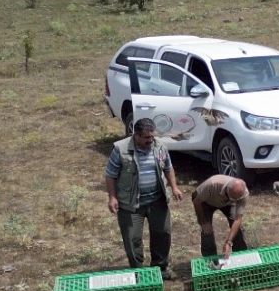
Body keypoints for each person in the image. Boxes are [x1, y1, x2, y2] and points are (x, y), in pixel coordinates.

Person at [104, 118, 182, 279]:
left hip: (157, 200)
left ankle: (160, 269)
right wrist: (112, 197)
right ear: (137, 136)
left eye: (152, 136)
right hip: (131, 204)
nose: (150, 140)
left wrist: (174, 187)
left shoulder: (160, 146)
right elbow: (110, 175)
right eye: (147, 137)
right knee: (132, 238)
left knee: (163, 233)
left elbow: (168, 168)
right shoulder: (120, 149)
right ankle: (138, 271)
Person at [192, 174, 250, 259]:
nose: (236, 200)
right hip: (206, 201)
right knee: (207, 230)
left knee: (237, 229)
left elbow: (238, 219)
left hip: (228, 203)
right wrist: (203, 222)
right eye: (233, 197)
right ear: (228, 190)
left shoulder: (243, 194)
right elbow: (196, 201)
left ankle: (241, 256)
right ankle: (210, 259)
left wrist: (228, 242)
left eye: (237, 199)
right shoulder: (212, 184)